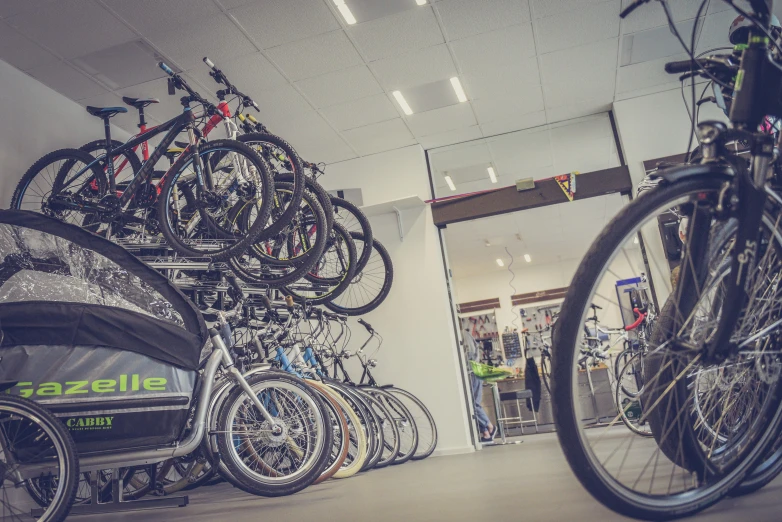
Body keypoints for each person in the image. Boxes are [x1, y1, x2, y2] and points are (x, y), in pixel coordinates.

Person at [464, 328, 496, 442]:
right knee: (472, 404)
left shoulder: (463, 335)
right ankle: (486, 433)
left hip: (473, 372)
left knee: (473, 404)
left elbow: (469, 355)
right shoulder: (465, 335)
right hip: (473, 371)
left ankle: (489, 426)